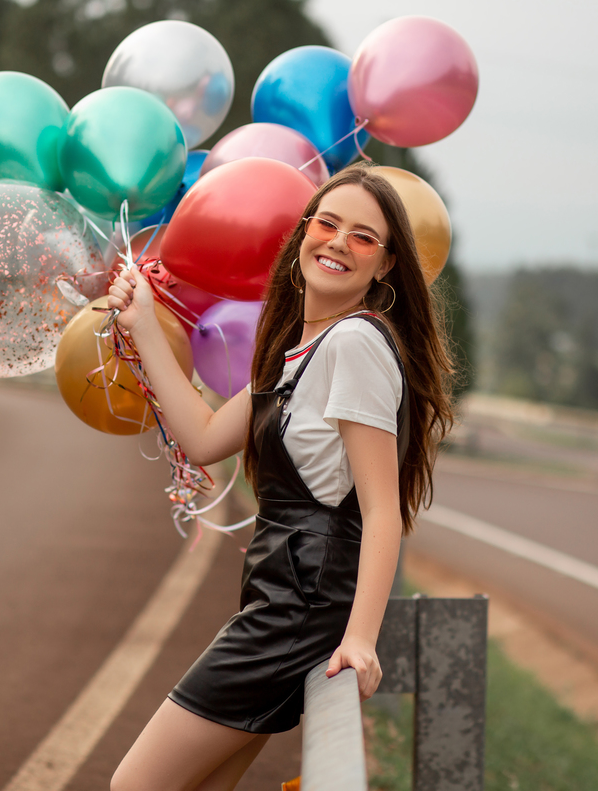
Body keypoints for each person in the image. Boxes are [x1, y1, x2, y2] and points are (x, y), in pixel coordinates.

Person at [104, 163, 456, 791]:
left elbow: (380, 510)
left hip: (298, 616)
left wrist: (362, 642)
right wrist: (144, 326)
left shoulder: (355, 343)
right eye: (327, 223)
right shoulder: (303, 348)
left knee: (134, 785)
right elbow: (207, 436)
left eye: (364, 236)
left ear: (386, 267)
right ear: (300, 240)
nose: (339, 242)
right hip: (281, 605)